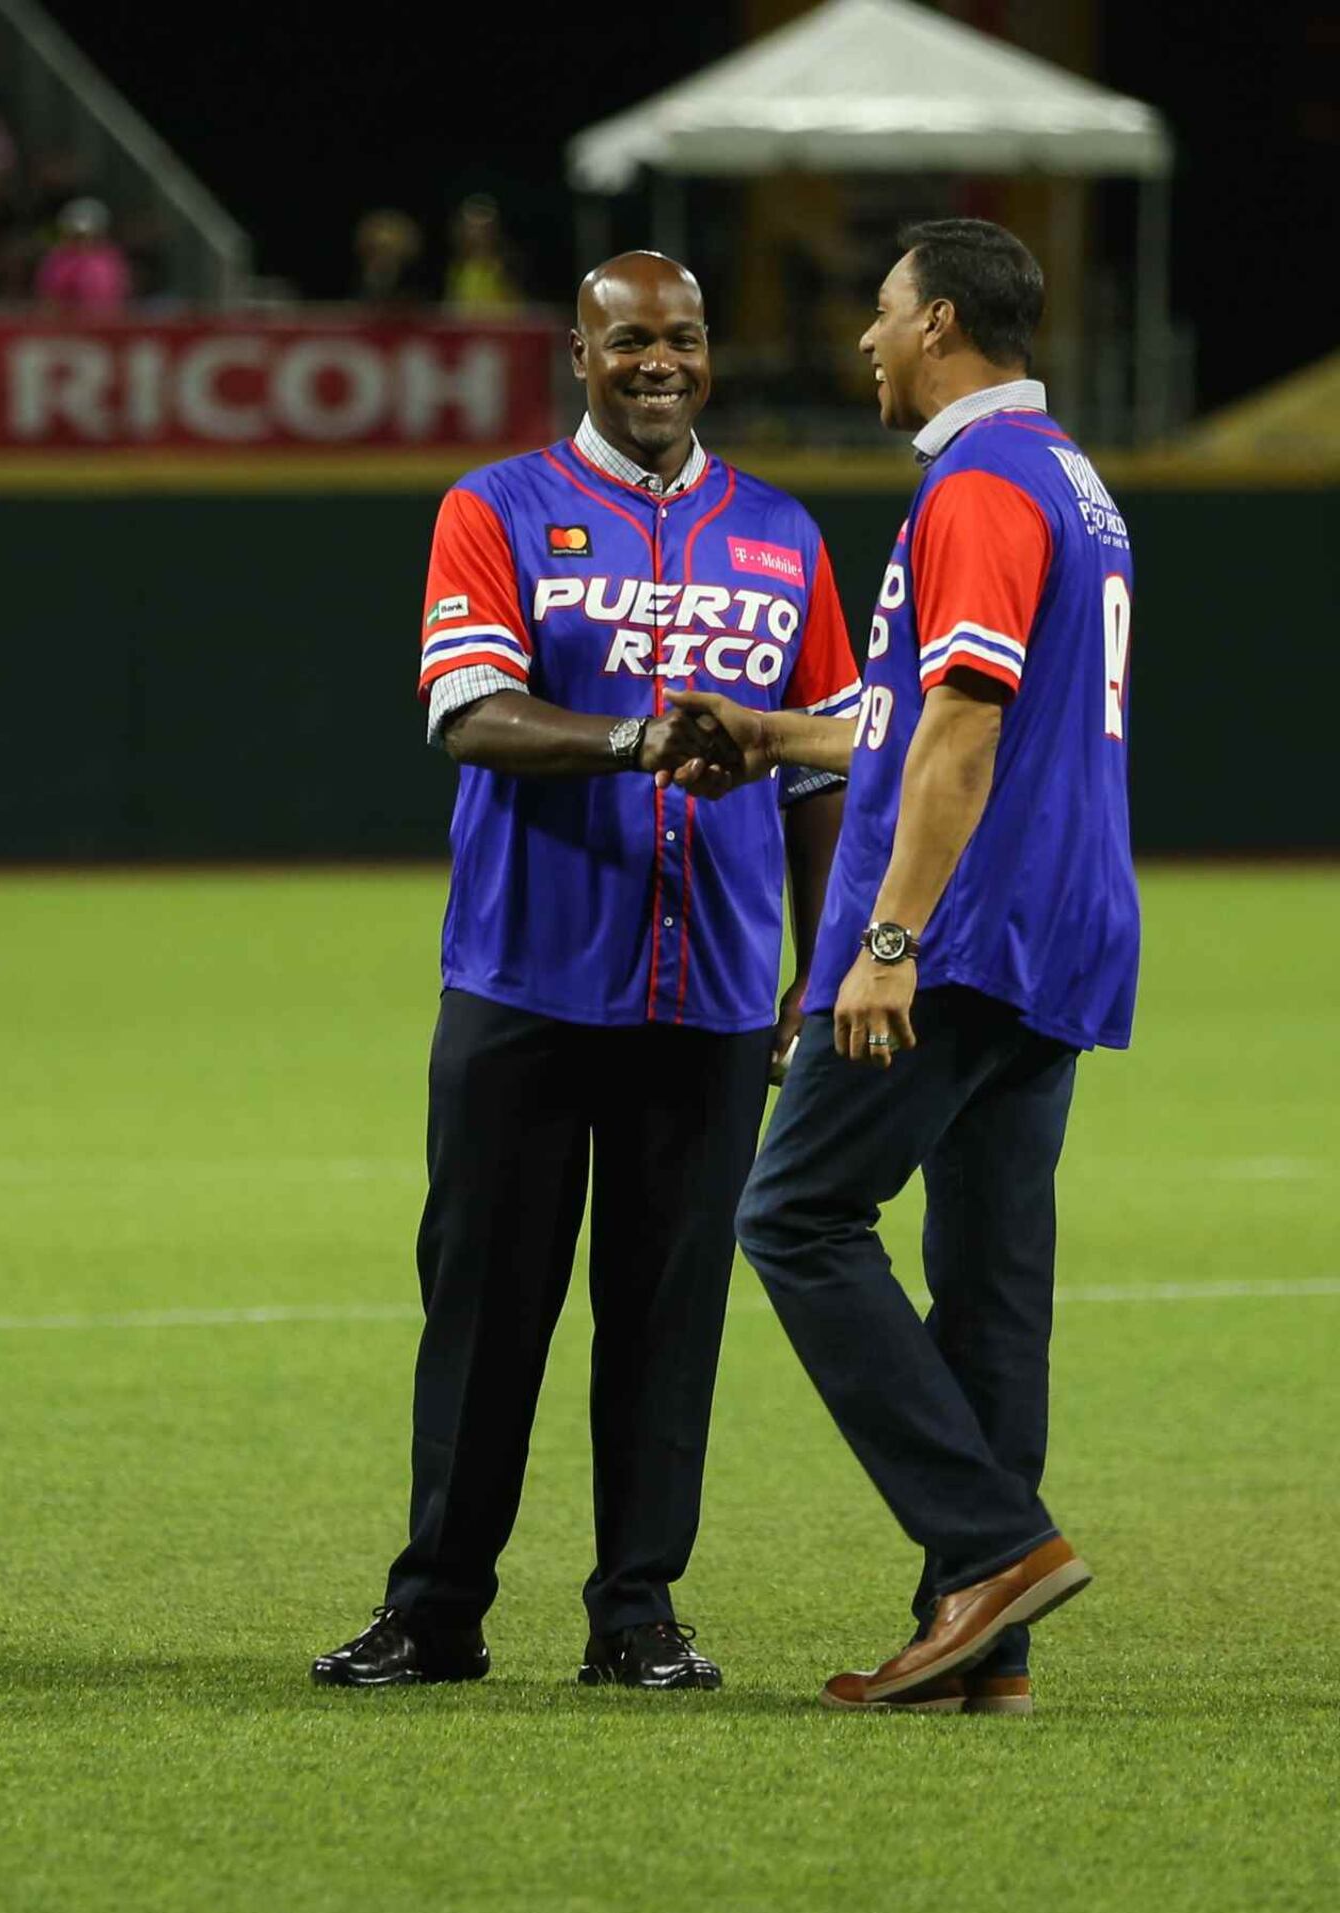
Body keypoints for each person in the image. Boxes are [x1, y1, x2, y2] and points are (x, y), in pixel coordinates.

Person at [313, 251, 862, 1693]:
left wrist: (822, 967)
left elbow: (825, 773)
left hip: (718, 996)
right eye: (630, 341)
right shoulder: (497, 509)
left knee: (668, 1318)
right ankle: (436, 1609)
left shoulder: (785, 534)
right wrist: (633, 737)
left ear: (708, 353)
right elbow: (470, 713)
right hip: (527, 983)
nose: (659, 362)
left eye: (682, 337)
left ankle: (638, 1613)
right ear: (579, 353)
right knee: (487, 1309)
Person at [666, 220, 1134, 1717]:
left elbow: (966, 727)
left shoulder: (980, 484)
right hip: (1056, 929)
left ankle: (989, 1545)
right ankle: (983, 1637)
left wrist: (884, 941)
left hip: (964, 932)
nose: (864, 342)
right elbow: (910, 707)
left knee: (796, 1214)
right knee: (991, 1280)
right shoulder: (1071, 477)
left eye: (880, 315)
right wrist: (779, 738)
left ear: (938, 324)